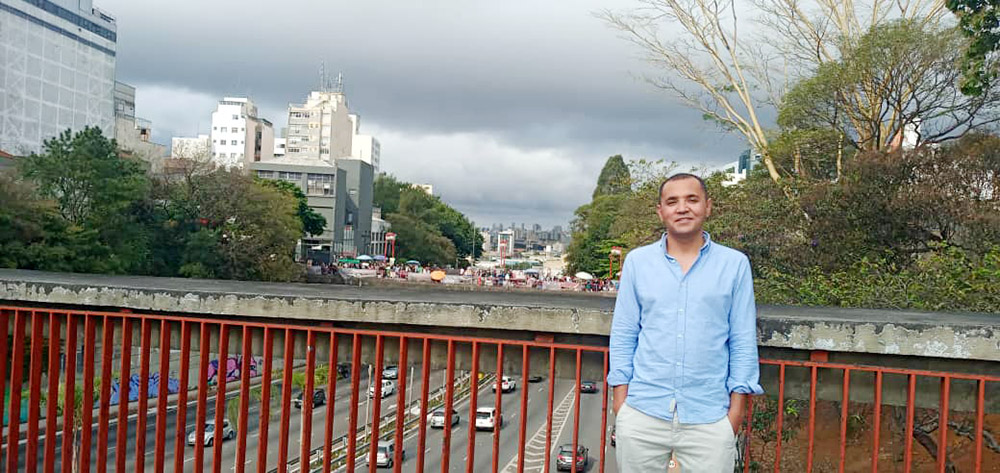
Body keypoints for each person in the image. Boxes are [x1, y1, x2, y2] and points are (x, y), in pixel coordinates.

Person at [608, 173, 763, 472]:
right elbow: (625, 333)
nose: (682, 208)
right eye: (672, 201)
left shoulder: (734, 265)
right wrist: (621, 405)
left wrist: (735, 415)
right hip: (642, 412)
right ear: (661, 211)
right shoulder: (638, 263)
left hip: (710, 417)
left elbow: (742, 338)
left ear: (708, 206)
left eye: (692, 199)